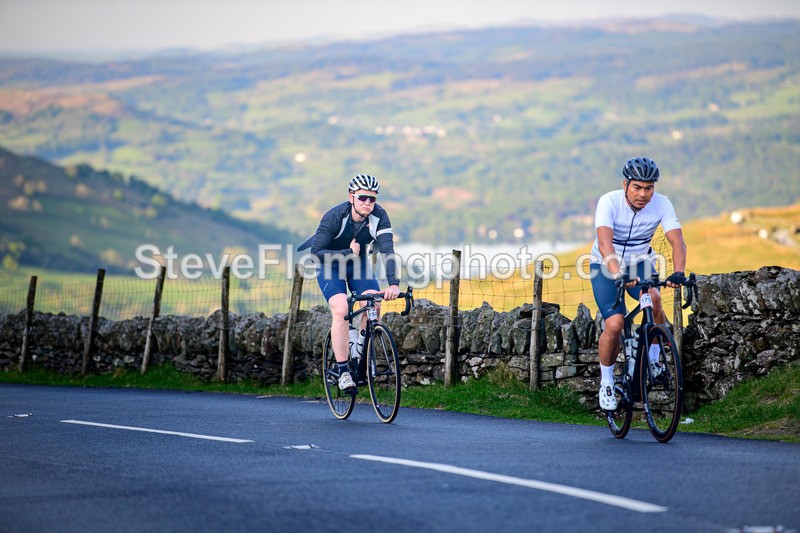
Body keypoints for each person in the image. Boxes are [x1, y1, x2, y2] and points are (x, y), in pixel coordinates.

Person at [590, 157, 688, 411]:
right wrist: (618, 273)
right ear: (625, 184)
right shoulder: (609, 201)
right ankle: (608, 382)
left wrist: (678, 272)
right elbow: (604, 244)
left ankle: (653, 360)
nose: (643, 194)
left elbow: (678, 241)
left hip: (639, 262)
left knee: (655, 298)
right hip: (605, 264)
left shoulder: (662, 203)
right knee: (615, 323)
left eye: (649, 188)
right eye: (637, 187)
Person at [298, 174, 400, 393]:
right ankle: (344, 370)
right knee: (342, 308)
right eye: (363, 198)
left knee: (374, 303)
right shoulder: (334, 217)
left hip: (358, 264)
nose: (367, 203)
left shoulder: (380, 217)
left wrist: (393, 284)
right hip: (330, 265)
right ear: (351, 197)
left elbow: (388, 252)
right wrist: (347, 252)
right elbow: (316, 254)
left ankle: (361, 352)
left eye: (372, 199)